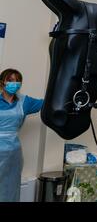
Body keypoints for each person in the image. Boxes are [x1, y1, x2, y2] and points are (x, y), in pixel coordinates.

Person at [0, 68, 43, 201]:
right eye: (11, 80)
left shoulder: (25, 102)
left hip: (13, 154)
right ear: (2, 82)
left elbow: (48, 103)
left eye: (18, 81)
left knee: (11, 188)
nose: (15, 83)